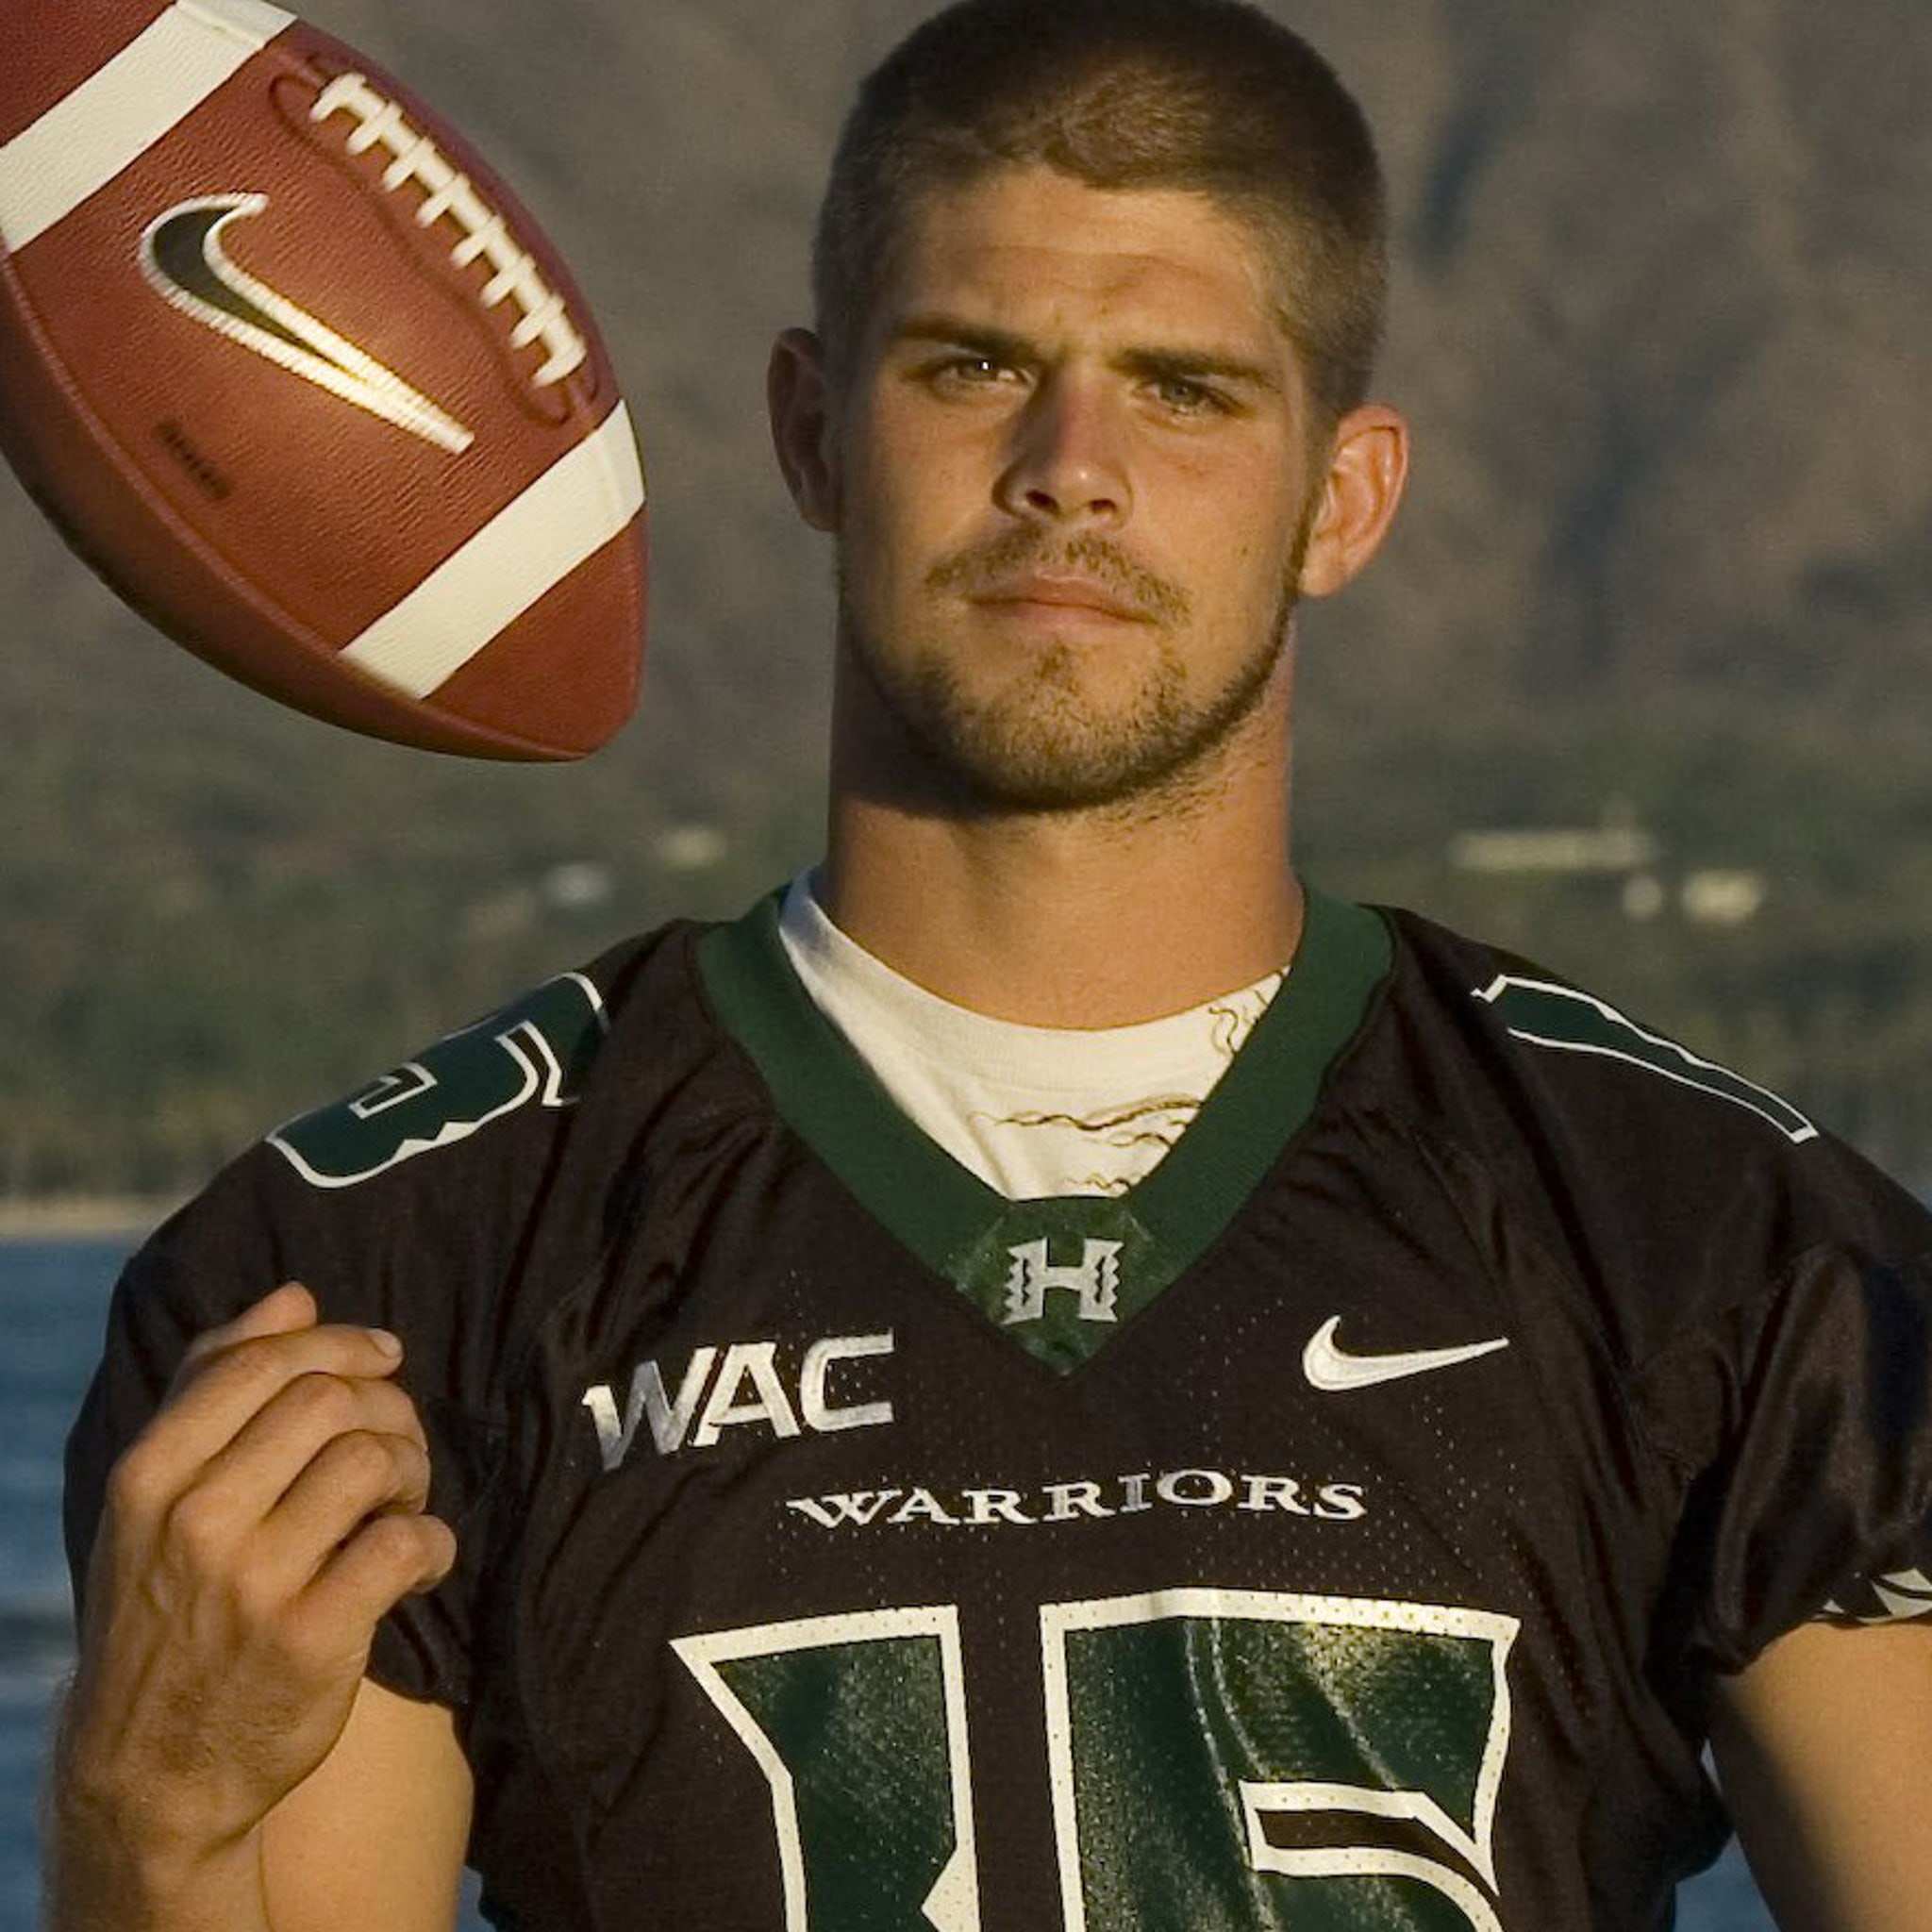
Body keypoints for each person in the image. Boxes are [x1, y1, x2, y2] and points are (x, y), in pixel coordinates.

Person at [47, 1, 1932, 1926]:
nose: (1069, 467)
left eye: (1185, 388)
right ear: (807, 429)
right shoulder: (391, 1272)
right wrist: (141, 1819)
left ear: (1344, 498)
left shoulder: (1712, 1245)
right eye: (973, 365)